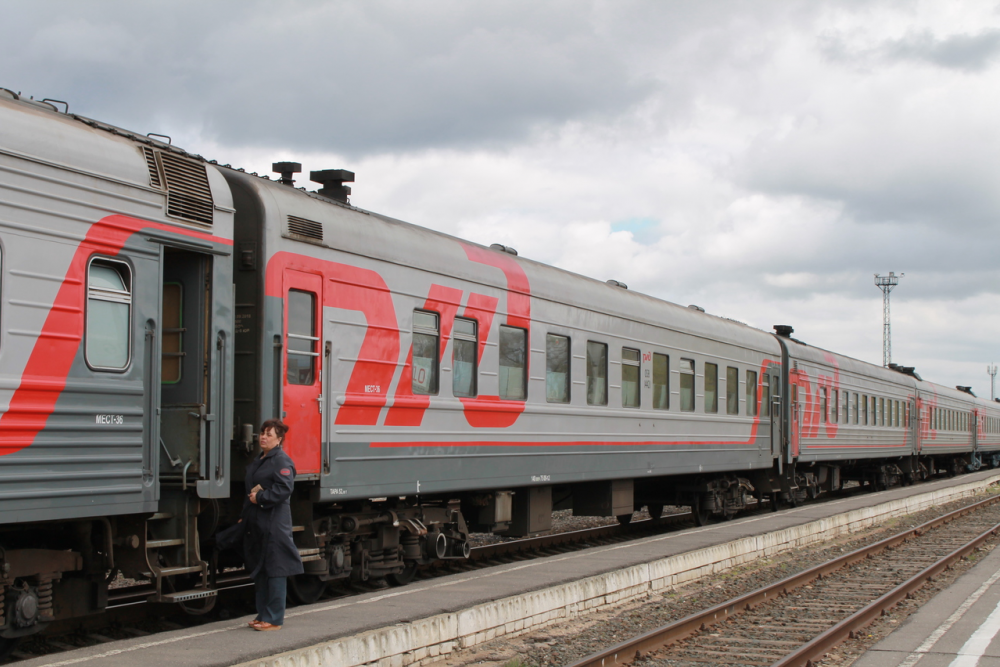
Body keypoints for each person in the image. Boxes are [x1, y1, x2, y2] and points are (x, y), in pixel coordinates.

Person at [243, 419, 303, 631]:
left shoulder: (281, 460)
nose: (263, 437)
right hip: (259, 521)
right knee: (262, 569)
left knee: (276, 568)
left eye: (269, 434)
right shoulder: (262, 458)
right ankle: (262, 614)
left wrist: (260, 499)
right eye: (262, 433)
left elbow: (284, 489)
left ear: (279, 439)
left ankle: (275, 618)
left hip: (275, 522)